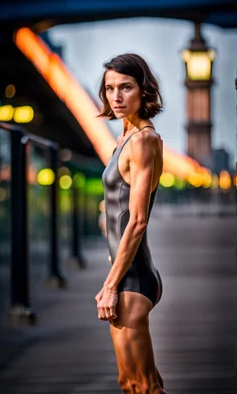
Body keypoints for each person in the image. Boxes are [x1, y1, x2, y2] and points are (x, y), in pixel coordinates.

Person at [95, 53, 166, 394]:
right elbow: (117, 207)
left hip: (132, 280)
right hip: (127, 274)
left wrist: (110, 285)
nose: (116, 96)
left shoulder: (143, 141)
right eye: (110, 88)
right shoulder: (124, 138)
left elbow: (136, 222)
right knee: (135, 383)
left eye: (126, 87)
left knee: (141, 385)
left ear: (144, 91)